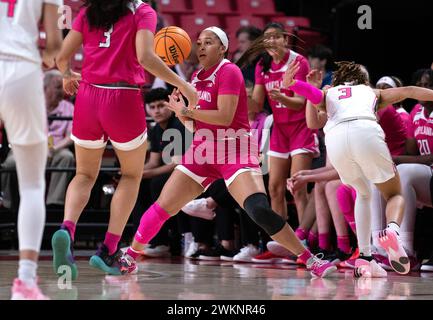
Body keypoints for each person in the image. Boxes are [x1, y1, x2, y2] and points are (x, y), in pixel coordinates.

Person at [124, 26, 337, 278]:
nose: (201, 46)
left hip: (235, 150)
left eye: (209, 42)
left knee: (258, 209)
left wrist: (188, 112)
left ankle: (310, 259)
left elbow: (224, 117)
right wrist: (182, 115)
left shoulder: (230, 71)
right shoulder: (195, 79)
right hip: (203, 150)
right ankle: (130, 256)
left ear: (223, 47)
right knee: (163, 206)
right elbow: (196, 124)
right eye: (199, 42)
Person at [51, 0, 197, 280]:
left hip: (88, 96)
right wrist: (183, 84)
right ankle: (107, 249)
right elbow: (145, 57)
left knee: (83, 174)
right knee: (131, 174)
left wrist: (68, 74)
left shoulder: (88, 10)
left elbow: (61, 56)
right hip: (122, 97)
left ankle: (66, 229)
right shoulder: (143, 11)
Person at [282, 60, 433, 277]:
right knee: (394, 193)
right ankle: (392, 230)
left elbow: (313, 105)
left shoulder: (330, 93)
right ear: (363, 79)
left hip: (336, 141)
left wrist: (293, 84)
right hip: (365, 131)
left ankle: (365, 257)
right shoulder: (371, 92)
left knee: (363, 192)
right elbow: (409, 91)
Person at [0, 0, 63, 299]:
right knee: (33, 185)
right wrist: (52, 58)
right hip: (20, 68)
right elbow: (53, 42)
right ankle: (25, 282)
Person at [247, 22, 319, 261]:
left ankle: (306, 242)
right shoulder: (261, 65)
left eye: (277, 37)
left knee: (297, 186)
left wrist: (282, 98)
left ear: (285, 40)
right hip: (279, 129)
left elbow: (300, 102)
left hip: (301, 127)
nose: (272, 41)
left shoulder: (299, 62)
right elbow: (256, 104)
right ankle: (280, 244)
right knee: (274, 188)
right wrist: (234, 98)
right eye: (268, 38)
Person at [2, 70, 75, 209]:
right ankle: (7, 204)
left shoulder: (69, 108)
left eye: (63, 87)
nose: (62, 92)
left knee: (67, 157)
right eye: (58, 87)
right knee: (11, 162)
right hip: (29, 147)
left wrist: (55, 148)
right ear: (44, 88)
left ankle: (54, 204)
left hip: (56, 149)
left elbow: (71, 135)